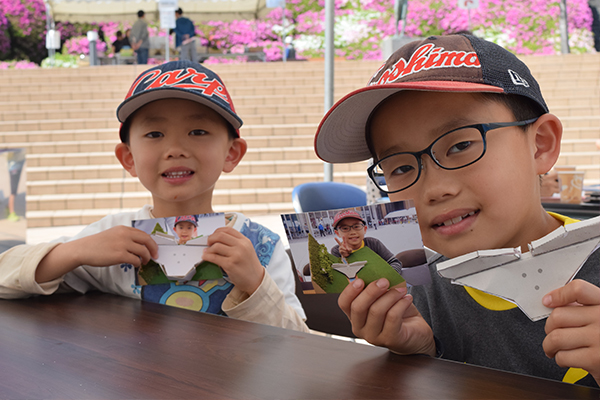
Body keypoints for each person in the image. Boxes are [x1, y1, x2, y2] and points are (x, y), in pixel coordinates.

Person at [313, 34, 600, 387]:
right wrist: (423, 352)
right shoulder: (417, 290)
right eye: (400, 168)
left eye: (461, 145)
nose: (435, 189)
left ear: (540, 145)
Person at [0, 60, 308, 333]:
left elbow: (302, 348)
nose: (175, 149)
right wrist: (73, 252)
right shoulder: (111, 241)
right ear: (128, 158)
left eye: (198, 131)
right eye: (154, 134)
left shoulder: (260, 247)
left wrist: (256, 284)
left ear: (231, 153)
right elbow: (6, 277)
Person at [331, 209, 402, 274]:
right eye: (345, 228)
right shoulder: (336, 251)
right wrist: (343, 258)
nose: (352, 232)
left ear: (364, 229)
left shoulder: (373, 243)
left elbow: (395, 262)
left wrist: (387, 276)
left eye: (356, 226)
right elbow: (339, 276)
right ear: (337, 233)